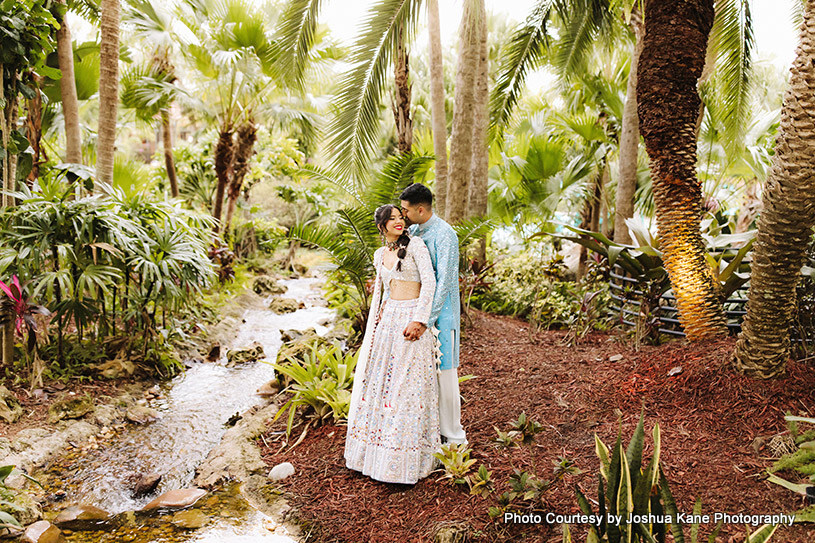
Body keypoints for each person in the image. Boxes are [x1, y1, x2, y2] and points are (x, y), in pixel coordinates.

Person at [344, 204, 442, 484]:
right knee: (382, 386)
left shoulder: (417, 246)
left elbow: (430, 283)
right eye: (393, 219)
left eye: (401, 217)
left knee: (407, 387)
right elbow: (383, 293)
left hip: (411, 318)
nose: (399, 222)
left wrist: (421, 320)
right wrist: (374, 329)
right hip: (388, 322)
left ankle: (407, 460)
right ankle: (376, 456)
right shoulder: (379, 255)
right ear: (381, 226)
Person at [399, 183, 467, 445]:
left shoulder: (445, 235)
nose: (403, 215)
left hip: (442, 317)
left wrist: (426, 319)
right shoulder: (414, 230)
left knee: (446, 375)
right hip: (420, 317)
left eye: (405, 210)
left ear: (419, 209)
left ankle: (454, 438)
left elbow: (445, 281)